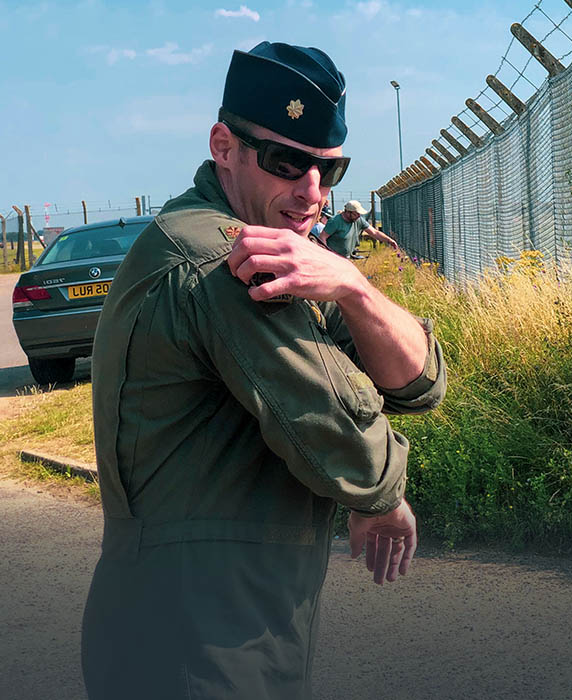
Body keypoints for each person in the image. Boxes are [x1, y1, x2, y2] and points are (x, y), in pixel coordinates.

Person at [81, 41, 446, 699]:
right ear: (225, 146)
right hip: (195, 639)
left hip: (223, 622)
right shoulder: (222, 259)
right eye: (286, 163)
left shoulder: (276, 247)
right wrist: (379, 493)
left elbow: (417, 382)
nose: (311, 193)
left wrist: (354, 288)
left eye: (329, 171)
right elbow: (330, 419)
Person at [321, 199, 399, 257]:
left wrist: (389, 241)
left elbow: (374, 233)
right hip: (333, 258)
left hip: (346, 258)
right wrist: (328, 254)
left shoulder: (358, 220)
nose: (359, 216)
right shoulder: (335, 221)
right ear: (348, 212)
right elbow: (322, 237)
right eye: (356, 214)